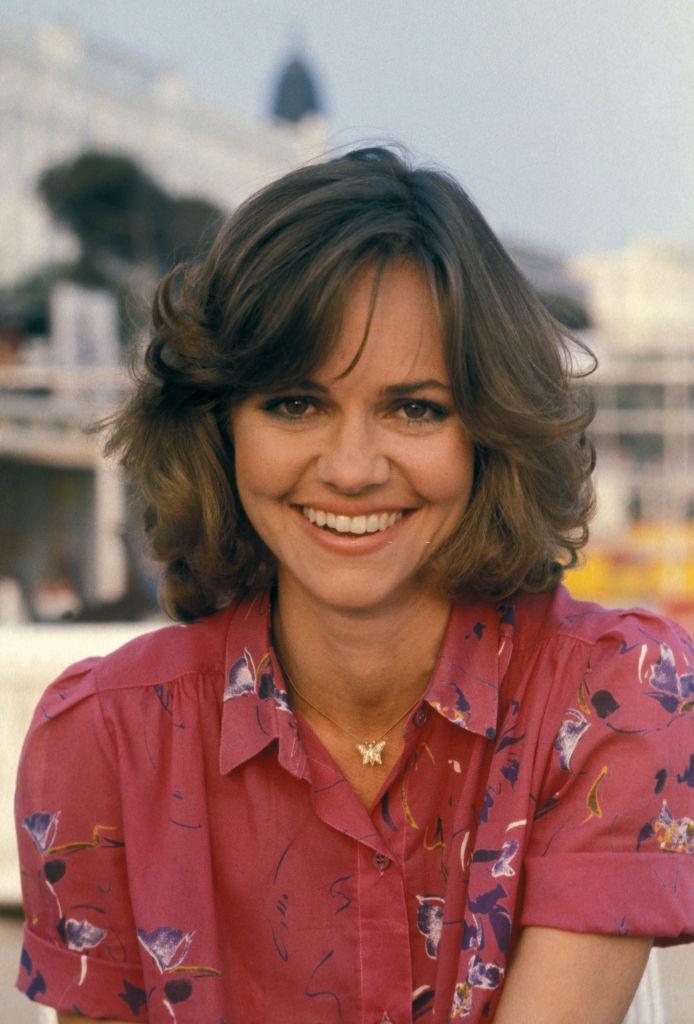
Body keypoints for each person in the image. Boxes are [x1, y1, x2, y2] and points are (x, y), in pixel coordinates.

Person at [15, 146, 693, 1024]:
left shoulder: (619, 701)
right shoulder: (107, 738)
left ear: (491, 434)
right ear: (218, 426)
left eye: (416, 408)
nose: (351, 467)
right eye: (295, 403)